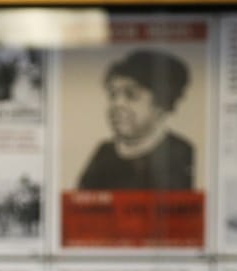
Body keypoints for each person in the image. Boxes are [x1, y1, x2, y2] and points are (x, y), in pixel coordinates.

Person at [78, 49, 194, 191]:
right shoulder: (103, 153)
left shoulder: (181, 154)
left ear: (162, 104)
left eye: (131, 95)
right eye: (113, 94)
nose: (117, 104)